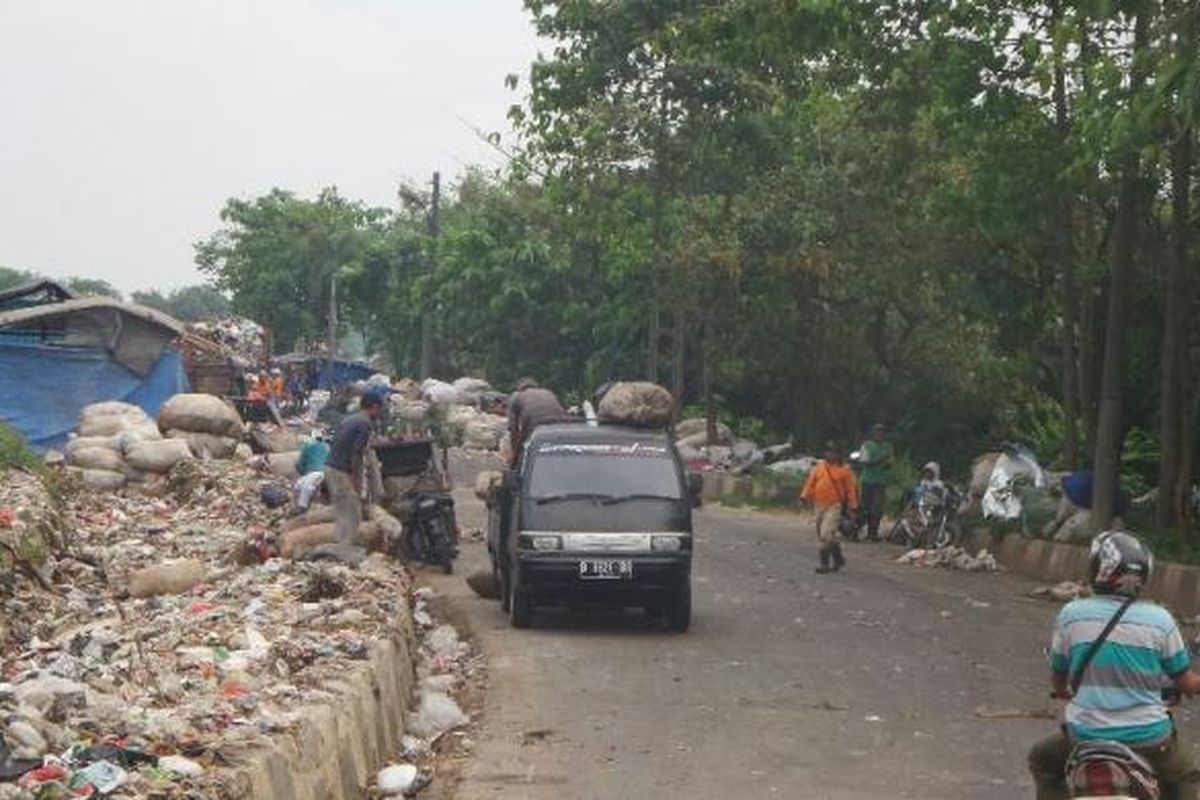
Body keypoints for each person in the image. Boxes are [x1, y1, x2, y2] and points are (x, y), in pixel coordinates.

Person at [1028, 531, 1200, 799]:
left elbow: (1059, 675)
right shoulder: (1161, 620)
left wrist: (1063, 692)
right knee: (1187, 776)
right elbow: (1186, 681)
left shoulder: (1071, 615)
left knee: (1042, 760)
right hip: (1150, 740)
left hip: (1084, 735)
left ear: (1098, 568)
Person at [324, 389, 386, 545]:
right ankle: (346, 547)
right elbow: (356, 454)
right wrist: (356, 481)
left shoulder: (350, 419)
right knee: (351, 510)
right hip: (340, 471)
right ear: (374, 407)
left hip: (331, 467)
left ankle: (341, 542)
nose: (380, 412)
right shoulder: (365, 424)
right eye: (380, 408)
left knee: (342, 510)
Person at [800, 442, 859, 574]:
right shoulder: (820, 468)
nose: (831, 454)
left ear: (839, 454)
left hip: (835, 506)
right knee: (824, 534)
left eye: (833, 452)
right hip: (819, 505)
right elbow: (810, 483)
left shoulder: (845, 471)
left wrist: (852, 508)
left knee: (826, 534)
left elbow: (850, 491)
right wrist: (804, 496)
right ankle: (838, 558)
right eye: (828, 451)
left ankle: (824, 564)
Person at [507, 378, 567, 468]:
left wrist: (515, 456)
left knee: (527, 445)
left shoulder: (516, 396)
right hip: (559, 421)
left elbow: (513, 429)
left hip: (533, 420)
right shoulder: (548, 392)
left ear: (520, 388)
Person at [857, 423, 893, 542]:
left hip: (880, 481)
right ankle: (860, 530)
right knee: (865, 507)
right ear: (873, 433)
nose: (879, 434)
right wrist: (882, 459)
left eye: (882, 432)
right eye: (877, 432)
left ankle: (873, 533)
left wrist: (888, 464)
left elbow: (890, 463)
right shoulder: (867, 445)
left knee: (877, 508)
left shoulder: (887, 446)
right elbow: (865, 462)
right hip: (867, 480)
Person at [293, 431, 331, 512]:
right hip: (326, 473)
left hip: (315, 472)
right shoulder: (327, 447)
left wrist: (302, 472)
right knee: (299, 485)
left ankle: (302, 507)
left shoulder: (307, 447)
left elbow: (299, 464)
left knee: (304, 487)